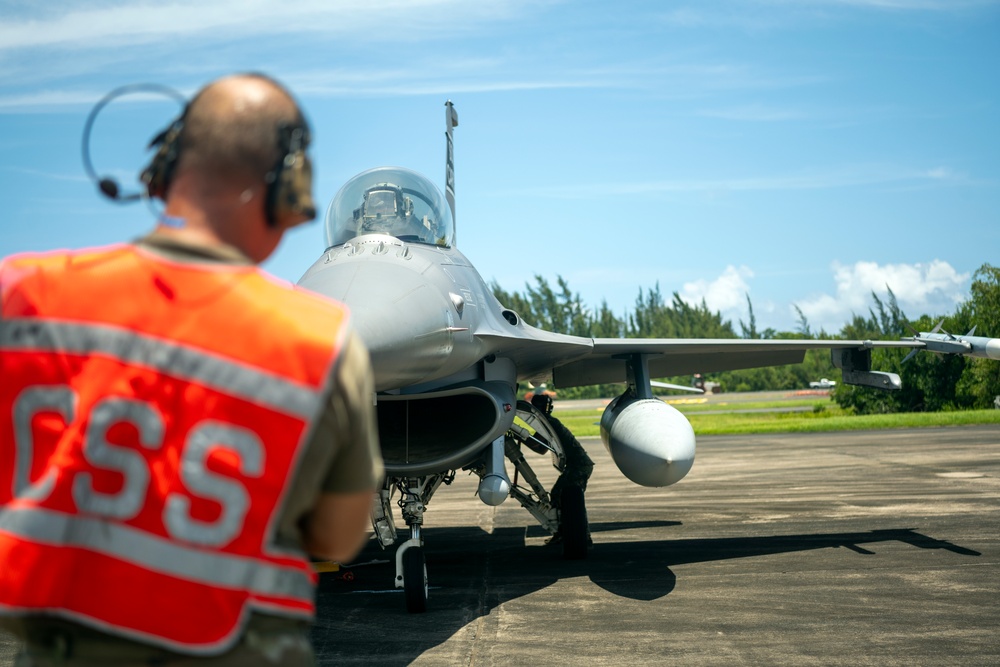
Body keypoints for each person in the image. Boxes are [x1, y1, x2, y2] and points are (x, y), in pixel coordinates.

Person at [0, 73, 383, 666]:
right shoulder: (318, 340)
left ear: (162, 170)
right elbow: (336, 538)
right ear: (290, 186)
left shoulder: (22, 294)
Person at [529, 393, 594, 542]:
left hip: (578, 466)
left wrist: (518, 435)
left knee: (567, 498)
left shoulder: (546, 423)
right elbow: (541, 449)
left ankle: (578, 535)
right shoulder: (548, 421)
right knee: (562, 497)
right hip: (578, 465)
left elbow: (534, 444)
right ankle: (567, 533)